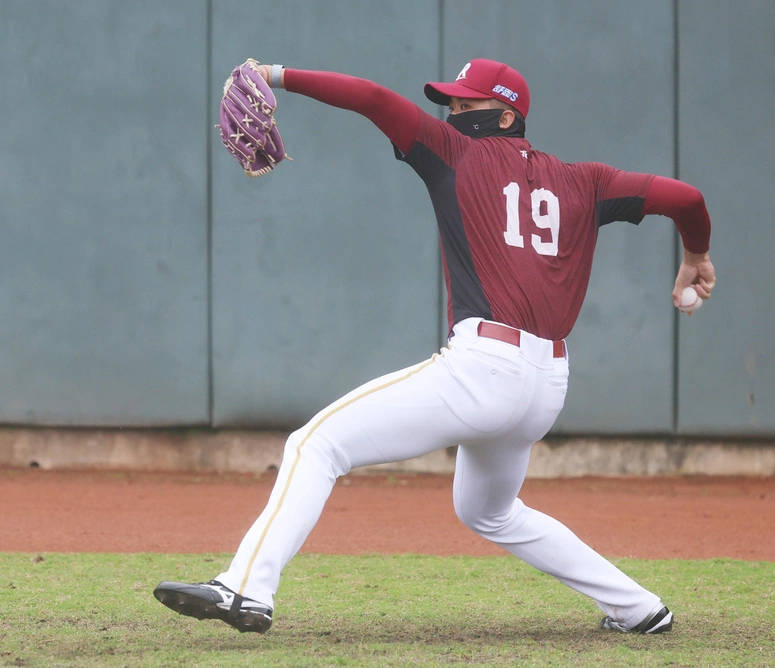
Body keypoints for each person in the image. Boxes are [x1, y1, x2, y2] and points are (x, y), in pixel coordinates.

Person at [154, 58, 715, 635]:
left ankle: (244, 588)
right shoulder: (586, 181)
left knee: (315, 444)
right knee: (488, 511)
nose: (452, 112)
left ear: (505, 115)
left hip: (485, 367)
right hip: (545, 386)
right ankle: (637, 607)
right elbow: (688, 198)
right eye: (450, 103)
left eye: (465, 105)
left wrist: (274, 74)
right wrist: (695, 256)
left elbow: (371, 97)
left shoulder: (456, 151)